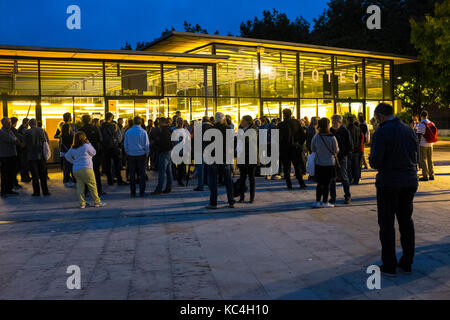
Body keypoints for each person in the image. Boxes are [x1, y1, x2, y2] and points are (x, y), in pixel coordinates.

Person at [369, 103, 418, 276]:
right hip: (410, 180)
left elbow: (375, 161)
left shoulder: (381, 132)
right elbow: (415, 155)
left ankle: (389, 264)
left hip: (389, 182)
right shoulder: (409, 129)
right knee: (406, 222)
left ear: (380, 116)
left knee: (387, 224)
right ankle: (407, 262)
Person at [65, 131, 106, 209]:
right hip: (87, 168)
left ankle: (82, 204)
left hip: (76, 169)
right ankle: (97, 202)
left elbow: (67, 156)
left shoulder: (73, 148)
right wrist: (89, 143)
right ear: (84, 138)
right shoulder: (86, 146)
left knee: (80, 187)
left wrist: (74, 162)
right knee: (92, 185)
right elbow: (94, 152)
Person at [205, 112, 235, 209]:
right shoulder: (228, 129)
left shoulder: (211, 129)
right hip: (225, 157)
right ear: (223, 119)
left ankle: (213, 203)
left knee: (213, 181)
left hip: (213, 157)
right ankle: (231, 201)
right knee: (228, 180)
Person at [311, 118, 339, 208]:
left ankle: (317, 201)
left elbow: (312, 149)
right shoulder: (332, 137)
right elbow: (336, 150)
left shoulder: (316, 137)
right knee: (327, 184)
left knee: (319, 184)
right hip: (329, 163)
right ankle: (325, 202)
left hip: (319, 163)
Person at [278, 109, 307, 190]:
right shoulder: (296, 123)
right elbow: (303, 135)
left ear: (283, 114)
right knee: (297, 167)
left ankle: (289, 184)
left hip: (284, 149)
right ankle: (301, 183)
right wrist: (300, 144)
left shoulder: (280, 125)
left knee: (286, 168)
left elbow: (276, 138)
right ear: (291, 114)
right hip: (295, 148)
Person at [124, 116, 150, 197]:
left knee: (132, 174)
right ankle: (142, 191)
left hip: (131, 154)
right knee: (142, 173)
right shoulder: (143, 132)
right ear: (141, 122)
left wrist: (128, 152)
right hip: (141, 154)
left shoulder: (128, 131)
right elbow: (146, 144)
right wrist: (147, 153)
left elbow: (125, 144)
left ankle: (133, 192)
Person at [330, 114, 353, 205]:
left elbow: (350, 145)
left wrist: (345, 155)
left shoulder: (345, 131)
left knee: (344, 177)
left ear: (340, 123)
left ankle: (347, 196)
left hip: (342, 157)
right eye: (333, 122)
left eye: (336, 123)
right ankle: (333, 197)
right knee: (332, 178)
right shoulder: (330, 131)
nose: (334, 124)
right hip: (332, 157)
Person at [79, 114, 104, 195]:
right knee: (96, 172)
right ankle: (98, 190)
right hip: (95, 152)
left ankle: (85, 190)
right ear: (90, 120)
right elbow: (100, 139)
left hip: (84, 154)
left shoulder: (81, 130)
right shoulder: (95, 128)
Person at [24, 119, 50, 196]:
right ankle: (45, 191)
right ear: (36, 123)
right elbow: (46, 142)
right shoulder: (42, 130)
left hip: (31, 156)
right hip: (41, 156)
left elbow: (24, 144)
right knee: (43, 175)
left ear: (29, 124)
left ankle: (36, 192)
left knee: (34, 176)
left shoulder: (27, 132)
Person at [101, 112, 126, 186]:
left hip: (106, 148)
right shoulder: (113, 126)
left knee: (108, 165)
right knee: (117, 164)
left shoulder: (102, 126)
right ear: (111, 118)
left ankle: (110, 181)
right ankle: (119, 180)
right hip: (114, 147)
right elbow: (118, 137)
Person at [237, 115, 257, 203]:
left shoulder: (252, 129)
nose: (241, 122)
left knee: (251, 178)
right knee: (242, 178)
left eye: (243, 120)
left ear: (248, 122)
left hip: (251, 156)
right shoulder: (241, 129)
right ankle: (242, 197)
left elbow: (247, 139)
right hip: (242, 156)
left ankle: (252, 197)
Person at [0, 118, 22, 197]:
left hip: (12, 155)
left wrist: (16, 140)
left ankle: (9, 189)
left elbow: (15, 139)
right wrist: (16, 141)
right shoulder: (1, 132)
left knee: (11, 174)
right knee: (5, 174)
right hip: (5, 156)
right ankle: (4, 191)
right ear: (3, 123)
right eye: (7, 123)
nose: (9, 124)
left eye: (9, 122)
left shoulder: (10, 131)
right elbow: (12, 140)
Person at [151, 117, 173, 195]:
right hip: (168, 151)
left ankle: (159, 188)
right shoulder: (169, 129)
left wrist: (156, 142)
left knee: (162, 171)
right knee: (168, 171)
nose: (158, 124)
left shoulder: (163, 131)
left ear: (162, 122)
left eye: (159, 122)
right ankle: (168, 187)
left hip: (163, 152)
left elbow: (163, 142)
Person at [415, 110, 436, 181]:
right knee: (430, 159)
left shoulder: (421, 124)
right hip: (430, 144)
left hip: (423, 144)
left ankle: (425, 176)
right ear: (427, 116)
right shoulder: (432, 123)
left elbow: (418, 135)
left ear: (421, 116)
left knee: (423, 159)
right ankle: (431, 175)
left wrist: (417, 143)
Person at [193, 116, 212, 192]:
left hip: (200, 150)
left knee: (200, 169)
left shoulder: (199, 128)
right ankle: (210, 184)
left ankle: (200, 186)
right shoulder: (212, 127)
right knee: (210, 169)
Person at [347, 116, 362, 185]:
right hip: (357, 149)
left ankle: (350, 179)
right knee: (356, 165)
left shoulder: (347, 129)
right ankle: (356, 179)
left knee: (349, 166)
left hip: (350, 149)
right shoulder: (358, 129)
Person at [17, 118, 31, 182]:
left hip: (23, 149)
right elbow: (25, 138)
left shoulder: (21, 128)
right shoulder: (23, 129)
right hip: (23, 149)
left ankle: (26, 176)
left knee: (25, 164)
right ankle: (25, 177)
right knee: (24, 164)